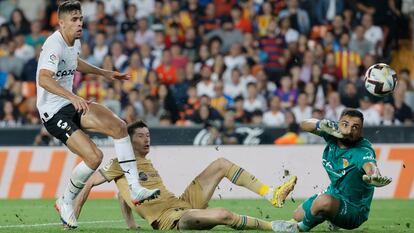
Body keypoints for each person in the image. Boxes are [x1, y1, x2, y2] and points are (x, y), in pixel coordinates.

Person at [35, 1, 159, 229]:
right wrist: (72, 97)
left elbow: (74, 62)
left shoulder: (75, 42)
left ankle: (135, 188)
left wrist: (103, 73)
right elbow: (44, 78)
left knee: (119, 127)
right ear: (61, 23)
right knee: (94, 157)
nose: (79, 23)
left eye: (80, 18)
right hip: (53, 112)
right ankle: (66, 200)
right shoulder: (54, 44)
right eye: (74, 19)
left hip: (70, 102)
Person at [74, 120, 298, 231]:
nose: (146, 139)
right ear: (130, 141)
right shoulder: (121, 162)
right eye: (141, 136)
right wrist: (72, 215)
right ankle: (274, 227)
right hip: (172, 219)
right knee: (222, 214)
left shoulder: (143, 164)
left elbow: (122, 195)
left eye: (148, 135)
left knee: (221, 163)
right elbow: (90, 182)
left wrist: (131, 225)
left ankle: (271, 194)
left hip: (182, 202)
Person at [272, 109, 392, 232]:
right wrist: (319, 124)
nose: (349, 130)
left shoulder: (362, 151)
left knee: (323, 201)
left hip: (353, 210)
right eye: (345, 124)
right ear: (338, 124)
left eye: (355, 127)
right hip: (334, 193)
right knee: (297, 215)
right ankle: (331, 217)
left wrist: (374, 176)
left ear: (361, 131)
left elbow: (370, 166)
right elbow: (303, 124)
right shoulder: (332, 133)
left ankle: (299, 229)